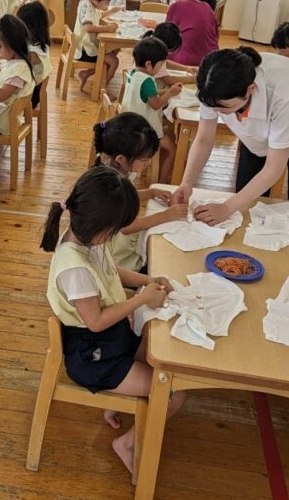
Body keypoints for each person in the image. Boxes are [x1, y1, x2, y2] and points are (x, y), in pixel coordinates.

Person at [39, 166, 185, 474]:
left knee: (167, 360)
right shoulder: (74, 268)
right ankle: (126, 443)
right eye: (118, 228)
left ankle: (115, 399)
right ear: (103, 229)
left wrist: (147, 280)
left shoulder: (87, 240)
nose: (119, 233)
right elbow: (95, 321)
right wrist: (140, 299)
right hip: (93, 356)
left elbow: (111, 271)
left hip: (111, 339)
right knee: (173, 391)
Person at [173, 47, 289, 217]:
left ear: (250, 89)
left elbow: (274, 167)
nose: (216, 112)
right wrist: (187, 182)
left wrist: (226, 208)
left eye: (224, 108)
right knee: (246, 202)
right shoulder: (212, 86)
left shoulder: (286, 91)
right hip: (258, 137)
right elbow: (203, 139)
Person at [92, 114, 188, 272]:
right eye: (144, 160)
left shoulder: (113, 170)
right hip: (115, 262)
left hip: (117, 250)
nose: (149, 163)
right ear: (121, 159)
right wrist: (167, 215)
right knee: (165, 261)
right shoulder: (111, 184)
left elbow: (124, 199)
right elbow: (128, 226)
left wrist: (150, 193)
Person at [120, 37, 183, 183]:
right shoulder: (148, 80)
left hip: (131, 126)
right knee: (172, 149)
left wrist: (166, 91)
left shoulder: (134, 74)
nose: (161, 68)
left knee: (168, 133)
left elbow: (148, 94)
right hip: (144, 133)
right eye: (161, 64)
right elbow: (156, 104)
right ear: (149, 64)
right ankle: (161, 181)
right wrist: (170, 93)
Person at [74, 0, 121, 93]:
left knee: (115, 49)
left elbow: (98, 16)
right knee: (114, 61)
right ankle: (101, 91)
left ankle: (86, 73)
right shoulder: (86, 7)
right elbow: (88, 28)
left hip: (88, 46)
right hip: (84, 50)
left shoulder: (91, 4)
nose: (107, 4)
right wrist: (107, 28)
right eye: (106, 2)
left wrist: (112, 11)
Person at [166, 0, 219, 67]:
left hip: (186, 61)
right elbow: (215, 34)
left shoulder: (176, 7)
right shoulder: (207, 7)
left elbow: (166, 37)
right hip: (212, 61)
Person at [17, 1, 52, 108]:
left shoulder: (33, 54)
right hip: (31, 91)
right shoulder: (40, 44)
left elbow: (16, 59)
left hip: (29, 97)